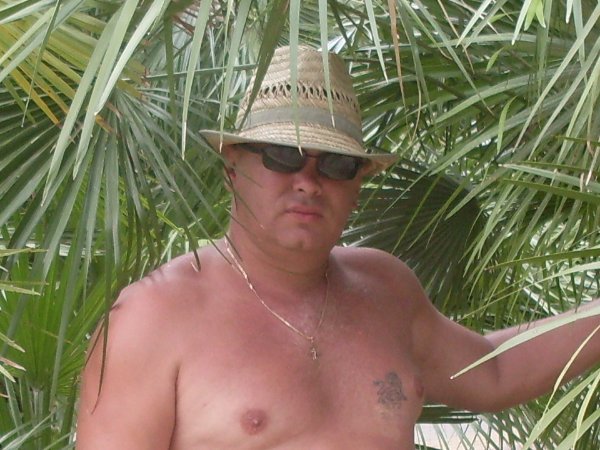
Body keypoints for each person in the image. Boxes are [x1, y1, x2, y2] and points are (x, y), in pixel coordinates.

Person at [76, 45, 600, 449]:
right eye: (283, 155)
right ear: (233, 164)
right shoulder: (153, 317)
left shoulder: (385, 289)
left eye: (336, 164)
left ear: (358, 182)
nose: (308, 181)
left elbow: (494, 370)